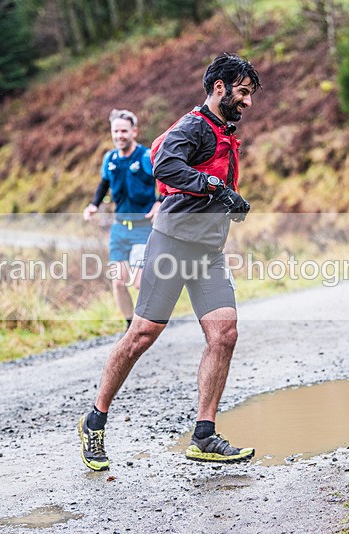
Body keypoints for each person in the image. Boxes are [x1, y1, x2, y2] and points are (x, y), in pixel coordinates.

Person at [78, 53, 261, 471]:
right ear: (220, 88)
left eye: (250, 94)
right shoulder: (195, 125)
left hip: (208, 251)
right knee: (142, 333)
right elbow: (165, 164)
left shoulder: (223, 131)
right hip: (173, 244)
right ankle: (95, 419)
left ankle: (204, 435)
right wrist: (217, 188)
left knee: (225, 333)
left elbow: (200, 179)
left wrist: (227, 203)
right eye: (244, 92)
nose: (248, 102)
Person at [83, 109, 160, 328]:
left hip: (143, 229)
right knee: (118, 282)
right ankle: (131, 327)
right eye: (115, 131)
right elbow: (104, 184)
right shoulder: (110, 158)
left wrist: (159, 202)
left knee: (138, 282)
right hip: (119, 229)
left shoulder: (146, 157)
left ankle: (150, 321)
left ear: (134, 132)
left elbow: (165, 180)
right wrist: (93, 205)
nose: (119, 136)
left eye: (124, 131)